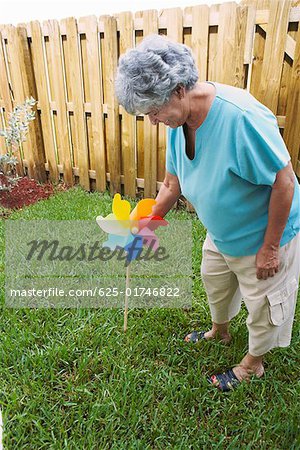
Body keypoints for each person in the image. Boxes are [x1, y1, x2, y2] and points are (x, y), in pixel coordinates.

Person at [115, 34, 300, 391]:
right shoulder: (177, 121)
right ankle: (220, 331)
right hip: (222, 232)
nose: (152, 121)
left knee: (263, 303)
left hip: (263, 234)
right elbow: (172, 184)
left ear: (180, 90)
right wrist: (148, 226)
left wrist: (271, 247)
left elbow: (285, 182)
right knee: (215, 281)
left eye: (154, 111)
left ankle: (253, 363)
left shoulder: (240, 118)